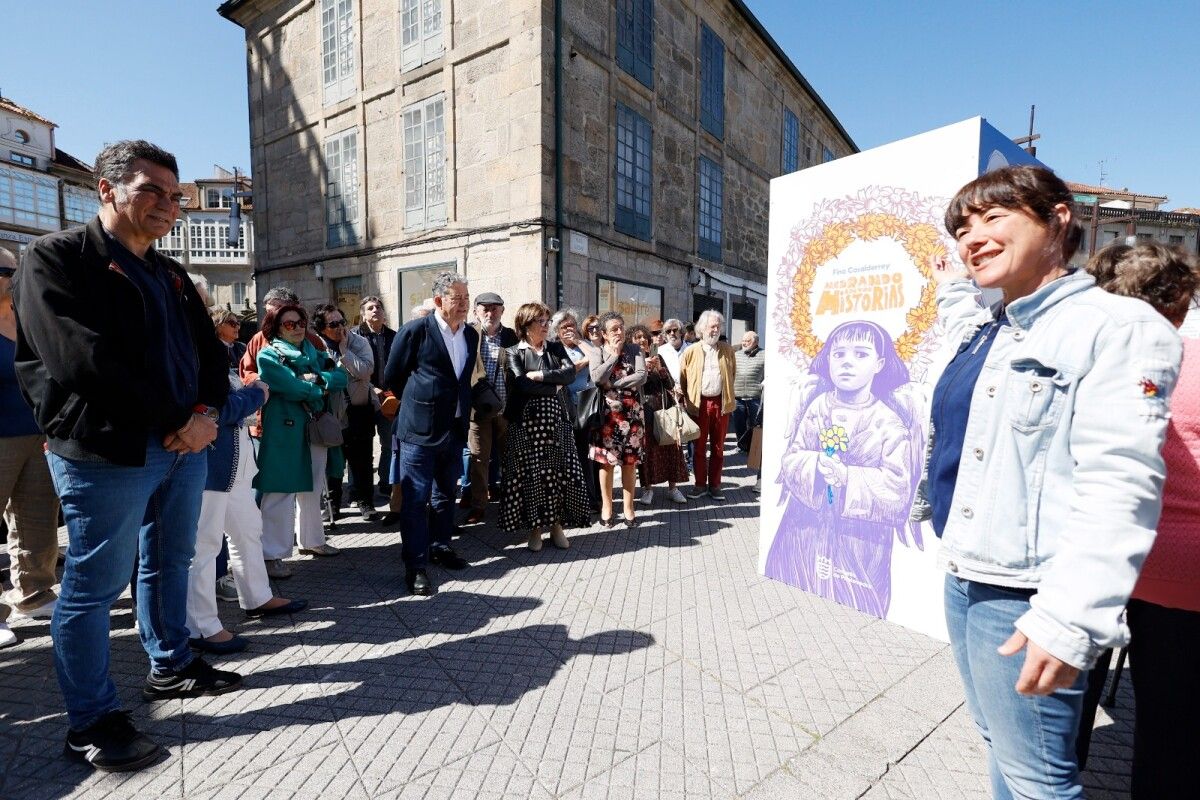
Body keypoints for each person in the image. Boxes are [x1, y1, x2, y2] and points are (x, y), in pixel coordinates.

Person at [927, 165, 1181, 799]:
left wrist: (1069, 617)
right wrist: (952, 290)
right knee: (1001, 747)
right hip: (967, 573)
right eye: (962, 227)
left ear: (1059, 217)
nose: (972, 237)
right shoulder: (1001, 326)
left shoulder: (1119, 327)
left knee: (1039, 777)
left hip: (1028, 592)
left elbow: (1121, 485)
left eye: (993, 217)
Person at [12, 139, 238, 771]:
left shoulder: (169, 273)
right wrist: (179, 421)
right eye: (151, 190)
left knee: (171, 559)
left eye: (175, 194)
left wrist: (207, 415)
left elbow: (209, 355)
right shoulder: (56, 259)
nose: (167, 204)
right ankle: (90, 720)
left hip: (182, 447)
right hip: (105, 453)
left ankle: (171, 666)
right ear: (106, 189)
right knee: (92, 587)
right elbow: (82, 360)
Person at [1085, 242, 1200, 799]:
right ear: (1179, 302)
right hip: (1178, 574)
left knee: (1066, 702)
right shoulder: (1192, 361)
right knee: (1170, 728)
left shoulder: (1089, 357)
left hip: (1088, 556)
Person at [763, 320, 921, 617]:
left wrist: (849, 477)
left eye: (860, 354)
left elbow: (899, 491)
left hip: (859, 542)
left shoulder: (888, 424)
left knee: (856, 603)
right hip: (803, 530)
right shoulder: (817, 407)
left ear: (880, 363)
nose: (847, 362)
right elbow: (792, 458)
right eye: (839, 354)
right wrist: (813, 464)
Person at [186, 315, 307, 656]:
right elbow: (216, 411)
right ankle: (201, 626)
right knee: (205, 545)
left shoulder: (214, 356)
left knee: (248, 531)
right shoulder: (190, 358)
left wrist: (251, 395)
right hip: (209, 468)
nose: (233, 325)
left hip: (234, 466)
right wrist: (256, 395)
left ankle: (257, 597)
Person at [383, 272, 476, 596]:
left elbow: (462, 379)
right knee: (415, 500)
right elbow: (393, 375)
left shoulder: (471, 335)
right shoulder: (416, 331)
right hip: (419, 432)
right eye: (457, 299)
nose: (464, 304)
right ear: (439, 301)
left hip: (453, 428)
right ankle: (416, 566)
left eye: (466, 298)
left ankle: (441, 547)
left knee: (445, 495)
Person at [256, 303, 349, 567]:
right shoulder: (268, 355)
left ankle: (312, 540)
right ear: (276, 327)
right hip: (283, 429)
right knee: (279, 490)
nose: (297, 328)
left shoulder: (313, 350)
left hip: (313, 425)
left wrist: (316, 380)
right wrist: (319, 387)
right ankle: (272, 554)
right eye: (289, 324)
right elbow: (290, 387)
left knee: (314, 485)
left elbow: (341, 376)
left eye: (300, 323)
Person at [0, 248, 59, 650]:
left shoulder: (26, 317)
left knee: (38, 520)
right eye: (7, 270)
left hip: (38, 434)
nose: (14, 276)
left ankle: (34, 593)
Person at [500, 302, 592, 550]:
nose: (546, 326)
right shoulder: (512, 352)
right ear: (526, 324)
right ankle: (535, 528)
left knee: (559, 474)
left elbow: (570, 374)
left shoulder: (554, 348)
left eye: (547, 321)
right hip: (526, 426)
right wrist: (554, 385)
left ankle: (557, 526)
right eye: (541, 321)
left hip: (557, 423)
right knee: (532, 477)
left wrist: (540, 376)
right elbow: (521, 384)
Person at [313, 303, 376, 521]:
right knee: (333, 459)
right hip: (330, 412)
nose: (340, 327)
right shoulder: (315, 346)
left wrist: (344, 352)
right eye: (333, 324)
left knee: (362, 460)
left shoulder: (359, 342)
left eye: (342, 322)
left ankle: (365, 502)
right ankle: (333, 505)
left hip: (359, 409)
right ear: (322, 328)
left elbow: (366, 371)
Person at [464, 292, 518, 524]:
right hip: (478, 411)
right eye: (485, 308)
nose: (490, 312)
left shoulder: (511, 336)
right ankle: (478, 506)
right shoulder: (467, 334)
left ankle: (511, 502)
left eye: (495, 308)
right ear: (475, 311)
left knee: (510, 459)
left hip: (506, 410)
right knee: (478, 460)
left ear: (502, 312)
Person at [589, 311, 647, 527]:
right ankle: (607, 506)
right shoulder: (598, 351)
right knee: (606, 464)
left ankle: (629, 508)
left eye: (621, 327)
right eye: (614, 329)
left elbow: (641, 376)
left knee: (630, 463)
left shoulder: (634, 349)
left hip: (633, 416)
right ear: (604, 333)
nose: (620, 332)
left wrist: (612, 384)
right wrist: (613, 355)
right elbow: (597, 378)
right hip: (607, 417)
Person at [679, 310, 737, 501]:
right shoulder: (690, 351)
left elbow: (732, 375)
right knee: (699, 447)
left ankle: (715, 485)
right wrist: (688, 402)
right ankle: (700, 485)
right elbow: (683, 378)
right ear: (702, 328)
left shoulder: (728, 350)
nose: (716, 330)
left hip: (721, 403)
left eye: (718, 326)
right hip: (699, 404)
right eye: (713, 326)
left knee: (719, 447)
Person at [629, 324, 689, 506]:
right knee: (647, 452)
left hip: (663, 407)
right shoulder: (629, 359)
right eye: (637, 337)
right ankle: (648, 489)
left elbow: (670, 384)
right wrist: (643, 370)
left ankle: (673, 488)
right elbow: (631, 385)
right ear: (631, 341)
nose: (642, 340)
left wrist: (660, 369)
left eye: (644, 337)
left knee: (671, 448)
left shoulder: (658, 356)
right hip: (644, 410)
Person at [550, 309, 601, 512]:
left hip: (584, 406)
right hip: (563, 406)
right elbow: (565, 373)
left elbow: (597, 357)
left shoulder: (584, 345)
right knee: (565, 456)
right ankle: (569, 500)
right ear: (557, 331)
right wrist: (582, 363)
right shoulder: (554, 349)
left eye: (572, 325)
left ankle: (589, 498)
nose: (569, 330)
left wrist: (580, 342)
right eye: (564, 327)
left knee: (584, 454)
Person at [357, 295, 398, 496]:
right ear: (363, 315)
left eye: (379, 307)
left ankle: (385, 482)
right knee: (361, 446)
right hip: (362, 398)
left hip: (387, 399)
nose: (376, 310)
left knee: (389, 443)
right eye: (371, 308)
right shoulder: (354, 337)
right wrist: (370, 387)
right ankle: (359, 489)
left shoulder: (394, 336)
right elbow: (352, 369)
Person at [732, 331, 765, 452]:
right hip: (738, 396)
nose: (744, 343)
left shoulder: (764, 355)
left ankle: (753, 448)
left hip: (755, 397)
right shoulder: (736, 355)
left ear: (756, 342)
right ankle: (741, 445)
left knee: (754, 424)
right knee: (738, 423)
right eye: (743, 340)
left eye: (748, 341)